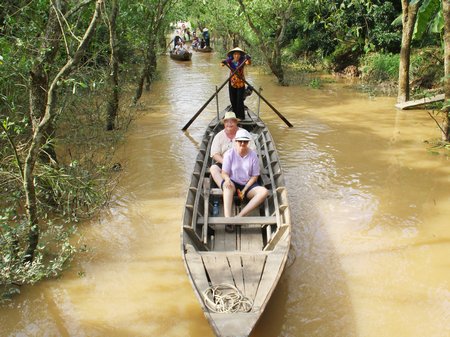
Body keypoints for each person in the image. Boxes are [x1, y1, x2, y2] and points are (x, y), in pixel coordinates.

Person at [221, 129, 268, 232]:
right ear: (236, 142)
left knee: (264, 192)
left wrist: (245, 189)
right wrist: (227, 179)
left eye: (245, 141)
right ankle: (228, 220)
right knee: (226, 186)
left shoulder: (253, 156)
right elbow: (224, 173)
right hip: (233, 182)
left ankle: (239, 217)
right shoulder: (229, 154)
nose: (242, 143)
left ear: (248, 143)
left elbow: (255, 176)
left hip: (248, 184)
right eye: (240, 141)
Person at [210, 111, 255, 190]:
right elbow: (214, 154)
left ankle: (243, 186)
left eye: (232, 121)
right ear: (224, 123)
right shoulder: (219, 136)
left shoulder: (244, 133)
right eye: (227, 122)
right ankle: (224, 186)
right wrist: (226, 162)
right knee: (213, 168)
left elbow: (253, 151)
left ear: (236, 122)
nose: (229, 124)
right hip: (224, 163)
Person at [221, 47, 251, 120]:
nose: (237, 56)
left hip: (240, 83)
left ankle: (240, 117)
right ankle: (234, 115)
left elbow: (248, 63)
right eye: (235, 54)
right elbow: (222, 65)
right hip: (232, 83)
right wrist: (224, 62)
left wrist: (248, 59)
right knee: (232, 99)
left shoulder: (243, 60)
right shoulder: (230, 61)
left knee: (239, 100)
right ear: (233, 55)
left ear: (240, 55)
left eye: (238, 54)